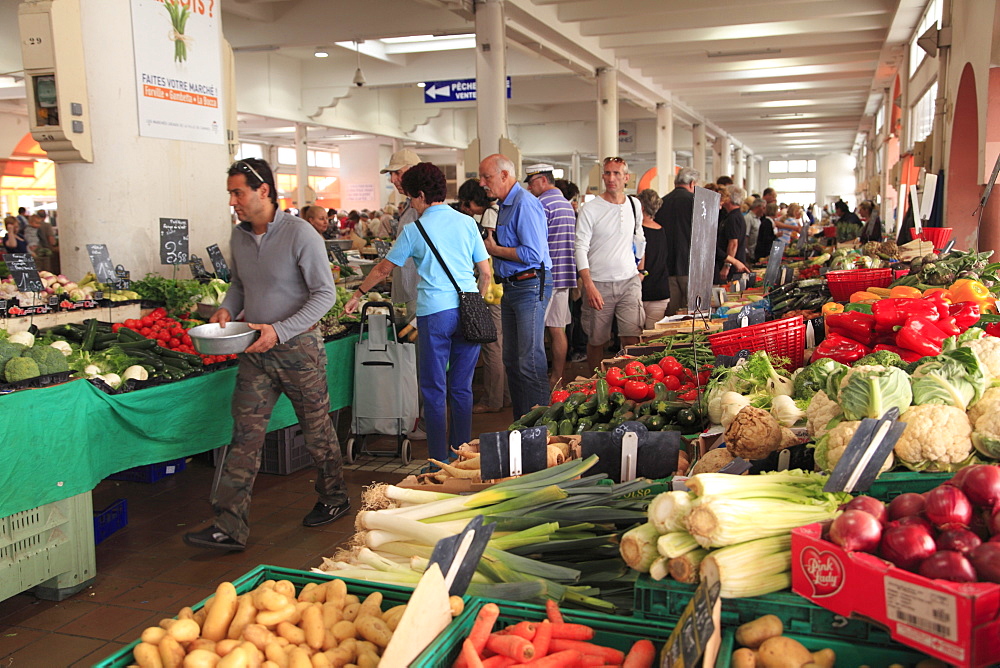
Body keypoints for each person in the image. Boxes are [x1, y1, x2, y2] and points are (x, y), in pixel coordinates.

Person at [184, 158, 348, 551]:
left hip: (299, 350)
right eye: (230, 194)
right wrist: (227, 307)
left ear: (264, 191)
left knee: (316, 429)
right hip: (254, 350)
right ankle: (229, 526)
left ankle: (335, 497)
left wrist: (280, 330)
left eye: (238, 192)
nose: (233, 201)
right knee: (244, 435)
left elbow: (324, 295)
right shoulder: (238, 237)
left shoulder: (301, 234)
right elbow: (240, 284)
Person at [345, 163, 490, 463]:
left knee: (434, 390)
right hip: (469, 309)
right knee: (462, 388)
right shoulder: (466, 222)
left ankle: (439, 460)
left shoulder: (415, 229)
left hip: (435, 314)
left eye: (411, 197)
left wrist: (358, 294)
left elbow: (385, 268)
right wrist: (478, 302)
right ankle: (462, 455)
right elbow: (486, 273)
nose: (410, 203)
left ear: (422, 195)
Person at [478, 153, 552, 420]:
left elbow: (532, 254)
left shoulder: (524, 204)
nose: (482, 182)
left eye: (487, 176)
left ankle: (542, 427)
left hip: (530, 285)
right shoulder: (504, 205)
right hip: (512, 287)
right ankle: (523, 424)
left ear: (505, 175)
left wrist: (494, 249)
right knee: (511, 360)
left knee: (529, 360)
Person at [575, 157, 646, 372]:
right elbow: (580, 247)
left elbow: (640, 238)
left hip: (629, 281)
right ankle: (597, 382)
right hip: (599, 283)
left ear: (626, 177)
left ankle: (632, 381)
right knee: (597, 340)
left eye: (616, 173)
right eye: (607, 173)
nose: (611, 178)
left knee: (632, 337)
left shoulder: (634, 204)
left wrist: (640, 270)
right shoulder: (591, 209)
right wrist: (588, 285)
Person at [457, 178, 509, 414]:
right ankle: (504, 396)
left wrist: (477, 296)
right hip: (501, 287)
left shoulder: (487, 217)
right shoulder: (500, 210)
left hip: (490, 291)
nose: (465, 210)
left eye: (466, 205)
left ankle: (492, 400)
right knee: (499, 344)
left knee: (492, 347)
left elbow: (486, 253)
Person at [524, 164, 576, 386]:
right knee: (558, 329)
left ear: (543, 181)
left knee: (535, 333)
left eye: (531, 182)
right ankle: (558, 377)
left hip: (545, 277)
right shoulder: (566, 204)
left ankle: (536, 382)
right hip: (564, 275)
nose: (529, 187)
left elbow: (534, 241)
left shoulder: (541, 204)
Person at [381, 149, 422, 317]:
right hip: (411, 289)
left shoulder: (423, 206)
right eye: (391, 174)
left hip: (420, 291)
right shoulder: (409, 204)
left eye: (398, 173)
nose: (393, 180)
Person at [656, 166, 698, 316]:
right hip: (690, 266)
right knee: (692, 314)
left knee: (672, 316)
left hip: (667, 267)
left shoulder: (662, 202)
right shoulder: (695, 202)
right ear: (692, 183)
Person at [637, 189, 669, 328]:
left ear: (641, 207)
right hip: (660, 289)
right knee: (653, 338)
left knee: (632, 338)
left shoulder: (637, 231)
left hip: (641, 288)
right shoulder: (661, 230)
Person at [716, 185, 749, 284]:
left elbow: (733, 243)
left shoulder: (733, 218)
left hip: (732, 268)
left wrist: (727, 266)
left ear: (729, 198)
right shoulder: (732, 216)